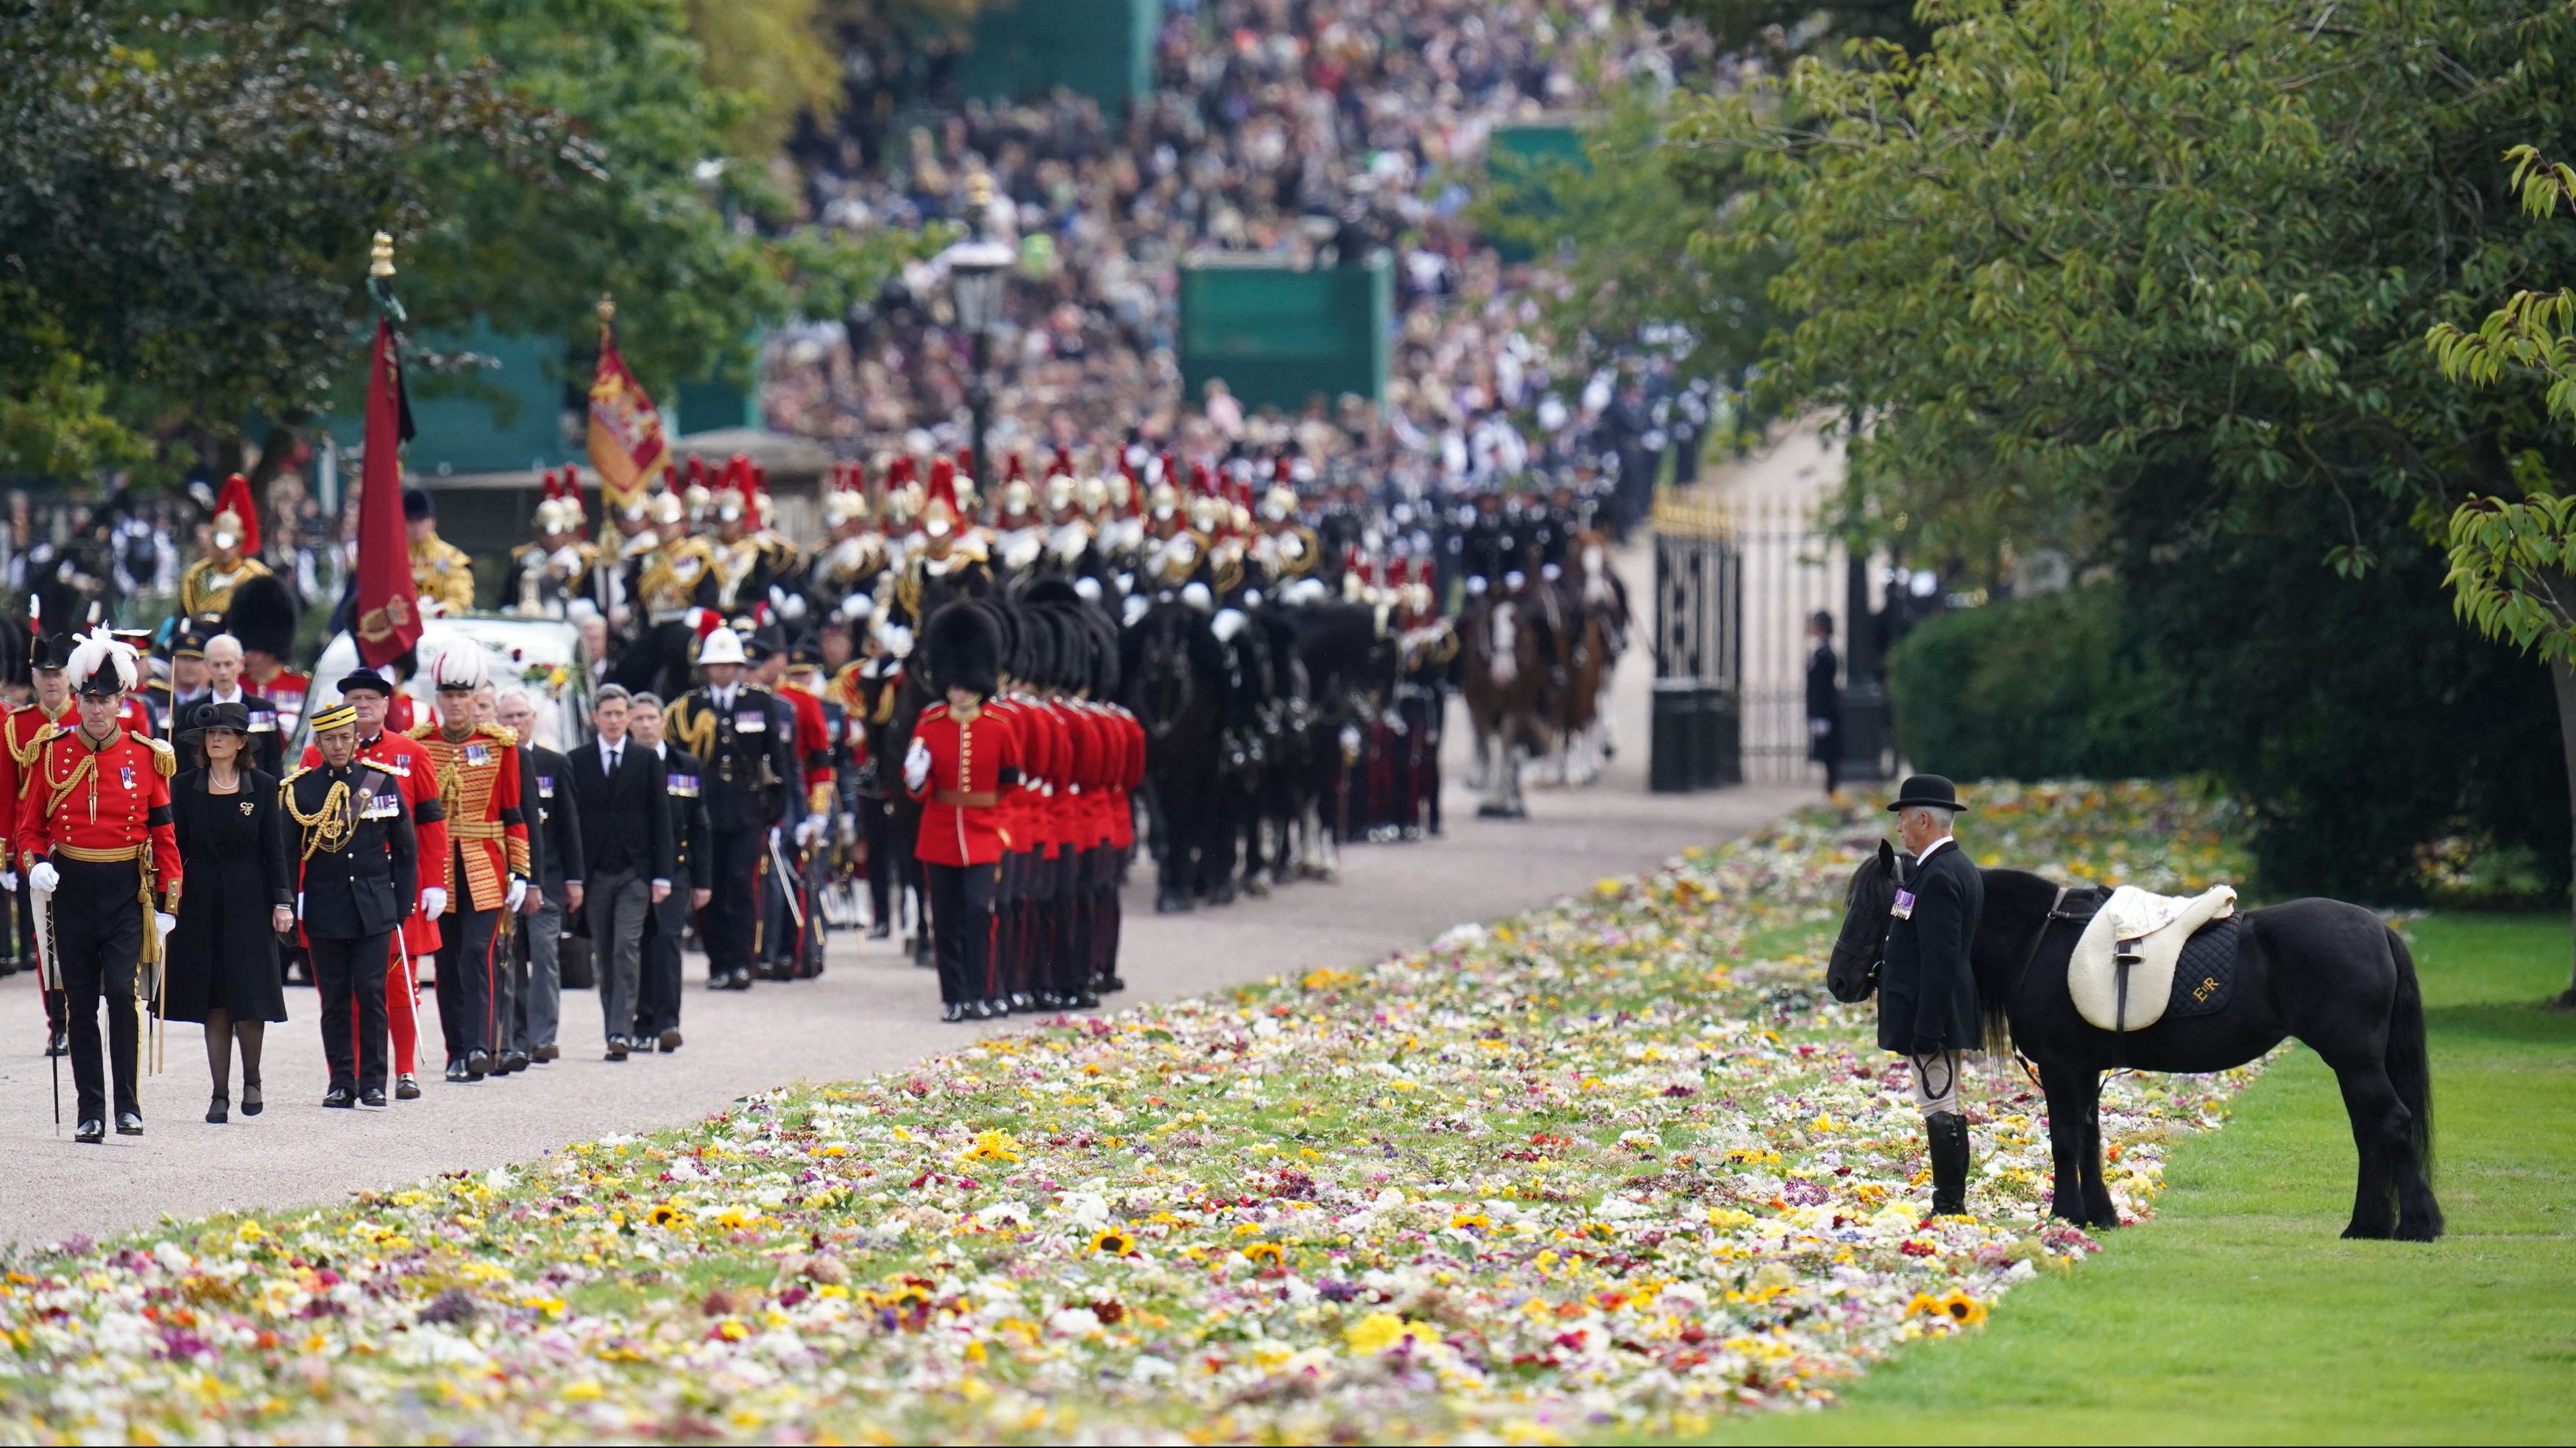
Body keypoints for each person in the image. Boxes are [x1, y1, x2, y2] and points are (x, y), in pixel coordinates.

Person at [16, 628, 181, 1143]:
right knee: (79, 1001)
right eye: (88, 700)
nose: (96, 710)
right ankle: (91, 1110)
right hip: (71, 887)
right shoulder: (51, 751)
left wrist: (168, 900)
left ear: (121, 700)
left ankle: (128, 1105)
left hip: (123, 888)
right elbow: (30, 826)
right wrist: (35, 862)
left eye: (105, 700)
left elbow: (164, 833)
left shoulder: (145, 755)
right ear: (77, 700)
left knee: (122, 995)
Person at [310, 671, 447, 1099]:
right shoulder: (313, 763)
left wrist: (431, 883)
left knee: (393, 984)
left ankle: (402, 1070)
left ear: (387, 705)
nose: (364, 704)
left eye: (372, 697)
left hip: (385, 892)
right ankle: (342, 1077)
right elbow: (305, 837)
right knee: (337, 994)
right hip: (330, 894)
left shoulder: (410, 753)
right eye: (355, 698)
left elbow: (428, 823)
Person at [163, 701, 292, 1124]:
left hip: (249, 902)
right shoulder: (183, 786)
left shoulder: (263, 784)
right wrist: (167, 897)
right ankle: (219, 1092)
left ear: (241, 743)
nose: (216, 740)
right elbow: (173, 846)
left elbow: (274, 850)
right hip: (199, 903)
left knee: (249, 994)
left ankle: (252, 1079)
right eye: (210, 734)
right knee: (213, 997)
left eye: (225, 734)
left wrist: (282, 901)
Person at [285, 700, 418, 1108]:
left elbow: (406, 849)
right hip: (326, 909)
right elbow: (288, 856)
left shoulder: (381, 782)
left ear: (356, 739)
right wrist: (288, 905)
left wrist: (402, 903)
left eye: (345, 737)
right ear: (319, 743)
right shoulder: (300, 790)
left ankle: (375, 1081)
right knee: (336, 999)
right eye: (330, 739)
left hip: (375, 907)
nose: (338, 746)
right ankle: (341, 1080)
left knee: (372, 993)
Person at [409, 647, 529, 1081]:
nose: (456, 703)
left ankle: (481, 1045)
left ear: (475, 697)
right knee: (446, 961)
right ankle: (456, 1051)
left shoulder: (499, 745)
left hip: (485, 867)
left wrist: (521, 871)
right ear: (438, 698)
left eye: (463, 694)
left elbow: (514, 813)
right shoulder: (420, 744)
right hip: (439, 871)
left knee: (479, 952)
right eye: (448, 694)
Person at [662, 627, 796, 991]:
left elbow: (777, 755)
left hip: (745, 804)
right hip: (706, 806)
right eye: (715, 665)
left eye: (728, 665)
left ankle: (741, 962)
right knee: (710, 885)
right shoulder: (691, 705)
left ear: (738, 667)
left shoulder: (758, 701)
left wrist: (780, 801)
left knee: (740, 884)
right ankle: (717, 962)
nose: (722, 671)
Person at [905, 603, 1022, 1023]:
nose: (959, 691)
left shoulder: (1000, 726)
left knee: (979, 912)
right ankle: (954, 996)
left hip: (985, 833)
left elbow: (1010, 785)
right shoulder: (929, 722)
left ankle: (982, 991)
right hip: (939, 833)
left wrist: (1004, 830)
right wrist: (917, 779)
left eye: (966, 683)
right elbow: (919, 791)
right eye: (953, 684)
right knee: (947, 919)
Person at [1881, 774, 1986, 1217]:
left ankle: (1949, 1204)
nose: (1900, 829)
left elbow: (1940, 962)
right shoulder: (1938, 869)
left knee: (1939, 1104)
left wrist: (1927, 1028)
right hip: (1931, 1011)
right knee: (1944, 1103)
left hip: (1933, 1017)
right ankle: (1950, 1200)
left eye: (1904, 819)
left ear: (1924, 819)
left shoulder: (1940, 875)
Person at [565, 684, 672, 1060]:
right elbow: (571, 822)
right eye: (606, 714)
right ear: (595, 718)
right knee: (604, 952)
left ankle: (621, 1031)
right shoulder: (576, 761)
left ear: (628, 717)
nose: (613, 720)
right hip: (596, 874)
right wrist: (573, 875)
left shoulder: (646, 761)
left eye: (619, 714)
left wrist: (662, 875)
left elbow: (662, 820)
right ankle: (613, 1025)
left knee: (627, 946)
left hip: (635, 873)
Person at [498, 687, 584, 1065]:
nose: (515, 723)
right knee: (510, 959)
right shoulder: (493, 761)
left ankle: (544, 1036)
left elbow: (569, 825)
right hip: (504, 880)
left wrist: (575, 879)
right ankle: (515, 1035)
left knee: (546, 956)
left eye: (521, 716)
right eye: (508, 717)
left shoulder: (554, 762)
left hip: (547, 878)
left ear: (534, 718)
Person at [4, 632, 78, 1057]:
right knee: (44, 938)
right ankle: (59, 1021)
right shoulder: (18, 724)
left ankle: (84, 1010)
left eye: (58, 673)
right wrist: (6, 853)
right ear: (33, 677)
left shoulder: (88, 717)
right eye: (44, 673)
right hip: (35, 845)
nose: (52, 681)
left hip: (81, 843)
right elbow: (5, 792)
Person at [625, 692, 708, 1050]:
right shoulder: (623, 765)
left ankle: (668, 1021)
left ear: (663, 721)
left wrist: (703, 880)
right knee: (640, 942)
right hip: (637, 870)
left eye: (651, 718)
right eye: (639, 718)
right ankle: (642, 1023)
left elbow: (700, 824)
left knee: (669, 942)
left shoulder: (685, 764)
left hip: (677, 868)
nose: (646, 725)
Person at [195, 633, 285, 776]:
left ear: (241, 664)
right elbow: (184, 766)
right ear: (207, 666)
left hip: (254, 793)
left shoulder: (264, 709)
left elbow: (273, 762)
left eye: (228, 664)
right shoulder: (191, 712)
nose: (223, 672)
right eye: (216, 665)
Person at [1805, 611, 1842, 798]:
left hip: (1825, 709)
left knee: (1830, 753)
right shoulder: (1820, 651)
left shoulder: (1825, 653)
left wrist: (1819, 713)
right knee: (1826, 751)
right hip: (1821, 708)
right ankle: (1830, 788)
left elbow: (1822, 686)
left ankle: (1832, 788)